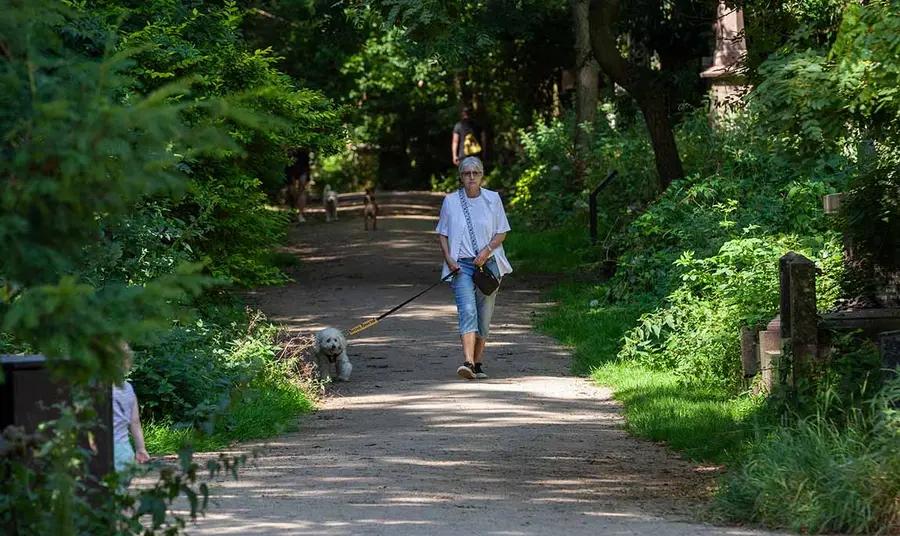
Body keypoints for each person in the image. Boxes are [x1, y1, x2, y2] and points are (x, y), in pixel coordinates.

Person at [436, 156, 512, 379]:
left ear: (482, 175)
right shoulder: (450, 201)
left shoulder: (492, 199)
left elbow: (502, 232)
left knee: (484, 315)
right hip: (461, 266)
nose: (471, 177)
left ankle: (478, 362)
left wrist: (487, 250)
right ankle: (468, 362)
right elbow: (442, 234)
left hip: (488, 266)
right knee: (467, 310)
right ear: (460, 177)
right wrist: (449, 259)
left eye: (475, 173)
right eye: (466, 173)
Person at [112, 343, 150, 481]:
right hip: (123, 451)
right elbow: (135, 422)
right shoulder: (128, 389)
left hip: (99, 450)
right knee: (120, 495)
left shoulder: (93, 389)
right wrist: (141, 449)